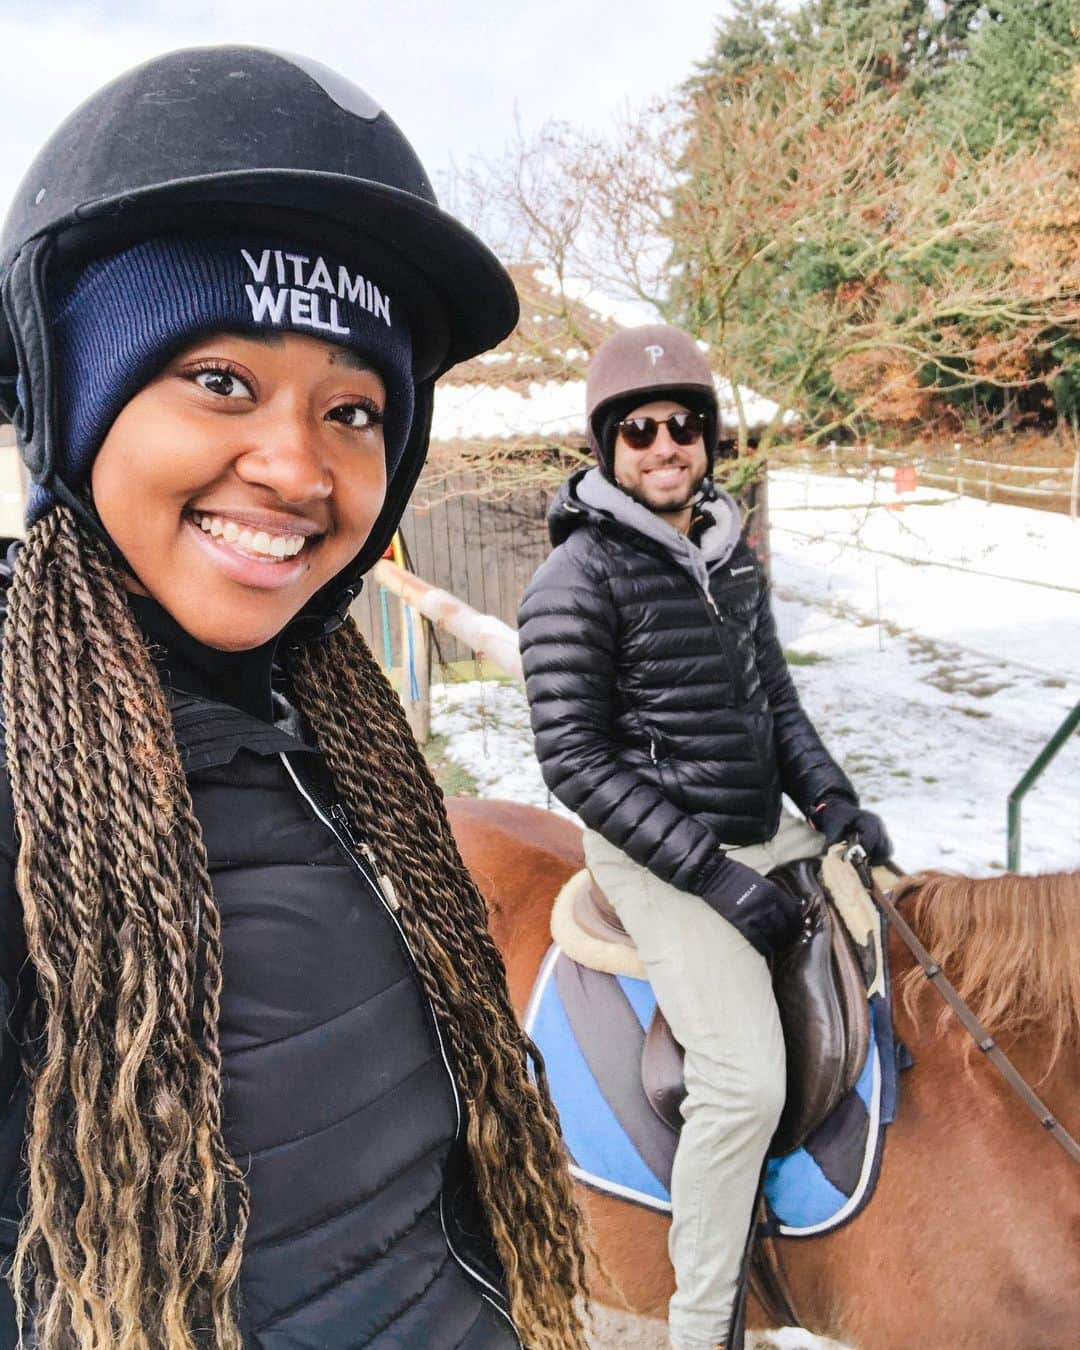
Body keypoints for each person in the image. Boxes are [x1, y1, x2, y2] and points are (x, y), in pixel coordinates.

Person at [0, 46, 591, 1349]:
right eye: (222, 380)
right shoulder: (20, 765)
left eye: (356, 408)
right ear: (72, 404)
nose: (300, 464)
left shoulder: (324, 719)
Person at [518, 324, 891, 1350]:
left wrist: (831, 801)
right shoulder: (574, 581)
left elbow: (776, 702)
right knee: (744, 1080)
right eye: (638, 430)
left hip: (757, 825)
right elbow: (575, 763)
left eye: (683, 424)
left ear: (708, 440)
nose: (664, 445)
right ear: (609, 448)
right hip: (654, 852)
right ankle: (702, 1324)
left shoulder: (732, 558)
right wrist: (715, 883)